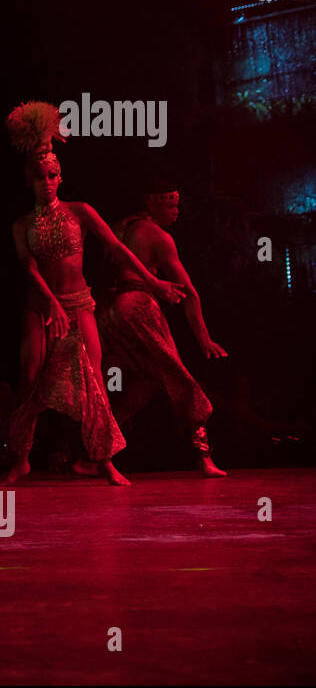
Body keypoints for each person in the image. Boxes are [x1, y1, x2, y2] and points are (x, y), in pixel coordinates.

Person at [0, 102, 185, 486]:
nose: (46, 182)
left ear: (60, 177)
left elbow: (117, 250)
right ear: (28, 181)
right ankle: (20, 458)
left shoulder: (79, 211)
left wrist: (155, 283)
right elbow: (29, 268)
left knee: (95, 381)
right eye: (38, 177)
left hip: (79, 304)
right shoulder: (20, 225)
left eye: (51, 175)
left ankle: (103, 460)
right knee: (30, 375)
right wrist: (50, 302)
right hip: (40, 308)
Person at [99, 181, 228, 476]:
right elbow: (190, 293)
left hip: (108, 311)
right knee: (184, 383)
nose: (177, 211)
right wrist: (204, 339)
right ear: (152, 203)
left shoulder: (121, 226)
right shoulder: (159, 237)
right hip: (137, 306)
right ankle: (203, 457)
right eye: (170, 204)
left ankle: (95, 452)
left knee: (149, 382)